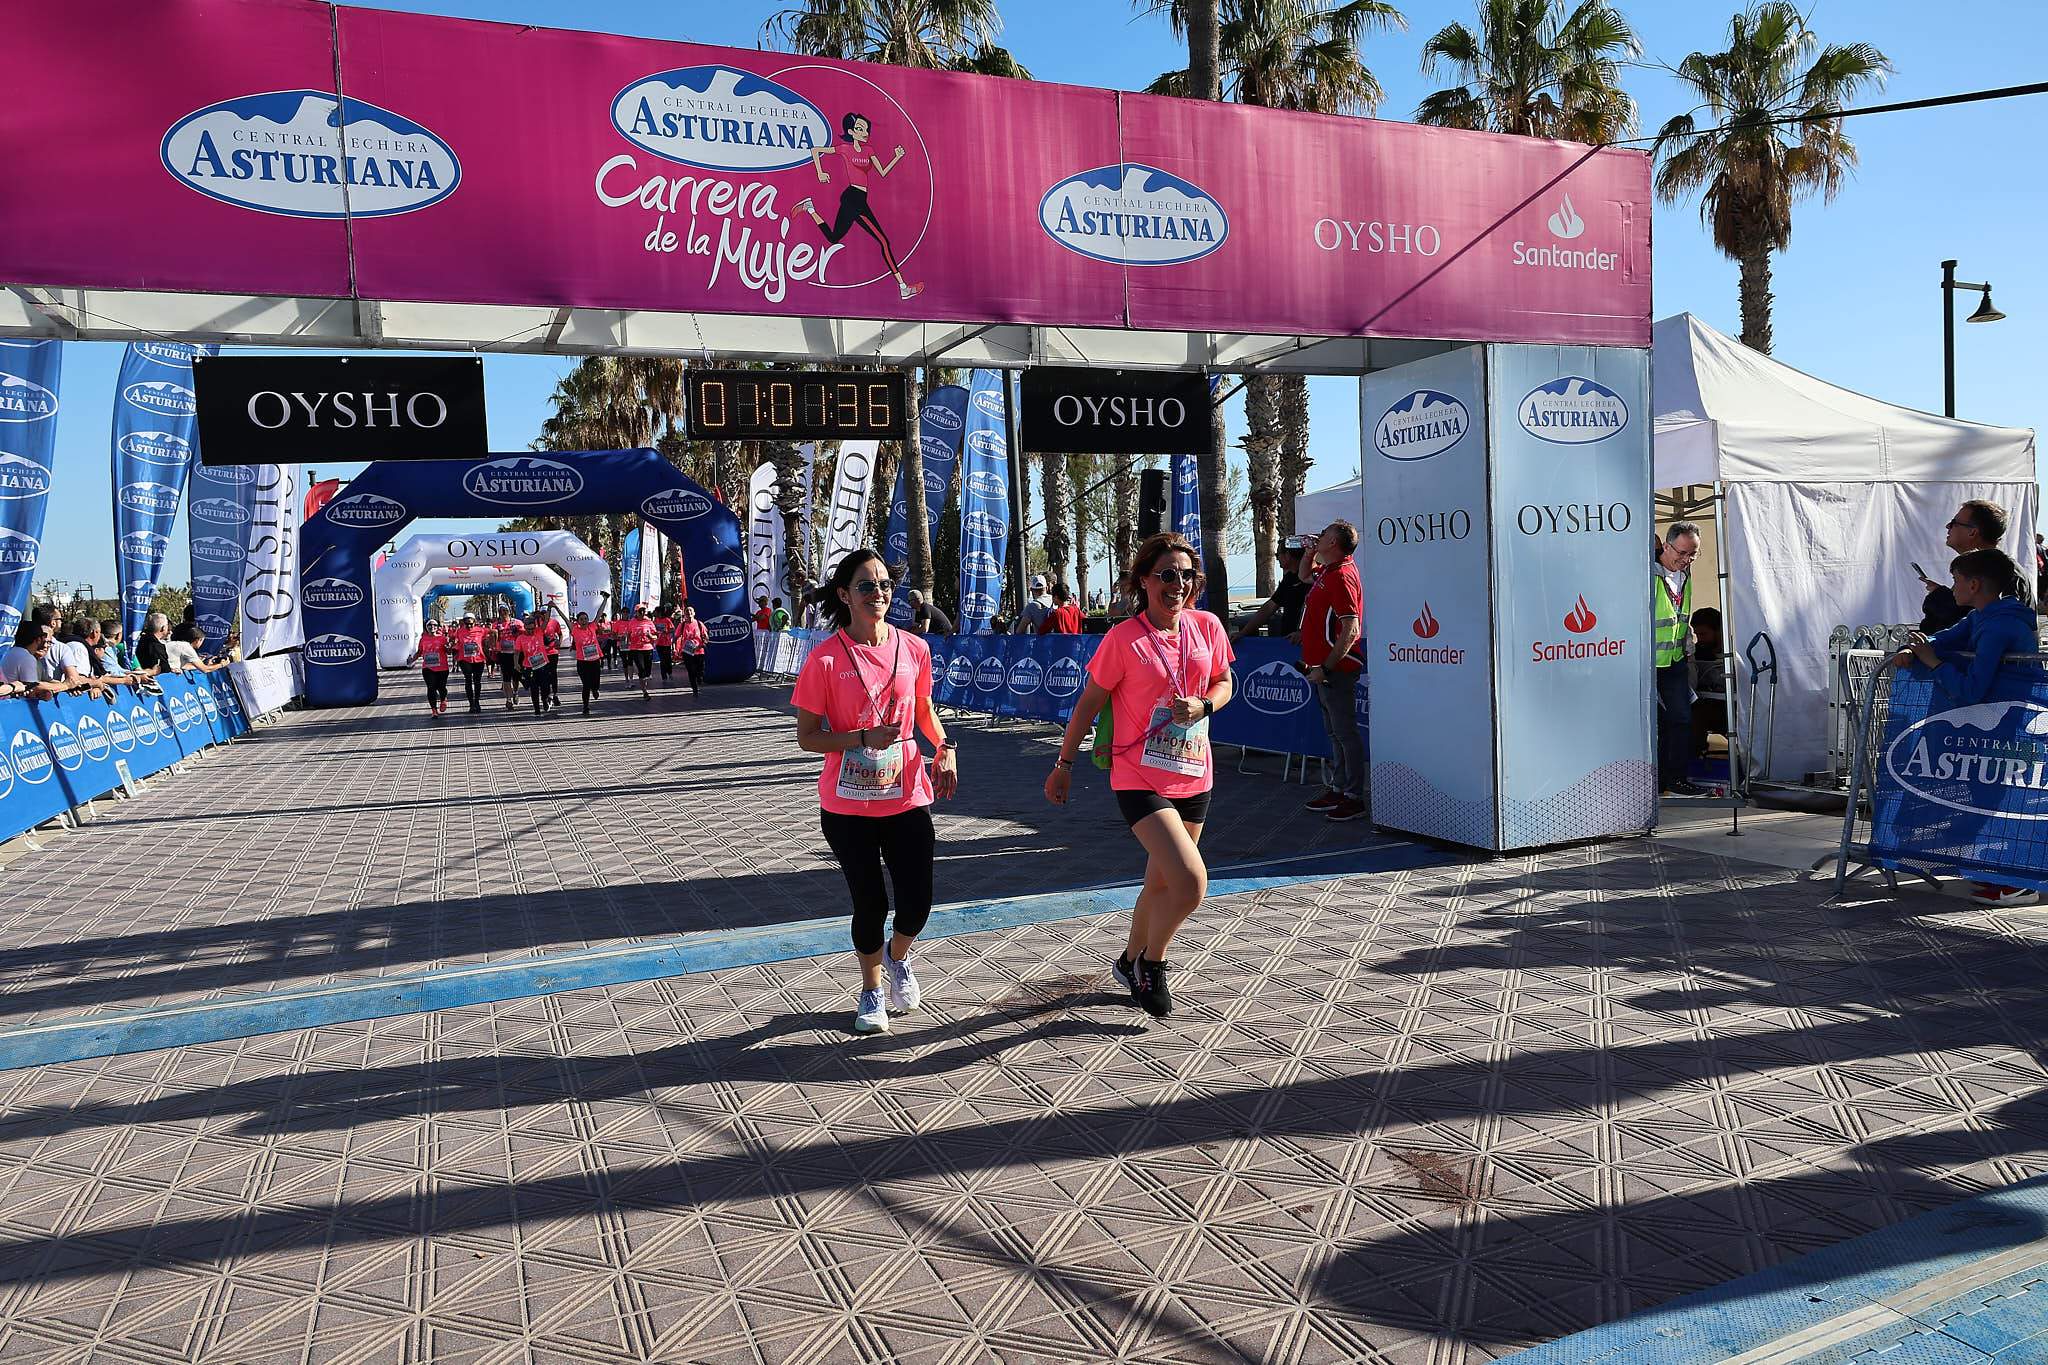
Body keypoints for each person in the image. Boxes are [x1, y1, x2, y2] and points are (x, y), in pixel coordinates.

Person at [1046, 532, 1234, 1019]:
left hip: (1194, 771)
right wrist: (1064, 763)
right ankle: (1154, 962)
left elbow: (1224, 681)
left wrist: (1205, 702)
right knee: (1191, 883)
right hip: (1139, 775)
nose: (1178, 585)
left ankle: (1128, 961)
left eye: (1187, 576)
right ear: (1144, 582)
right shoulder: (1123, 639)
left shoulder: (1207, 626)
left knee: (1161, 885)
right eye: (1167, 575)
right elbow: (1088, 703)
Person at [793, 549, 957, 1034]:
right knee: (870, 902)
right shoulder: (824, 659)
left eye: (885, 585)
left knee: (918, 901)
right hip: (847, 805)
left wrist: (944, 745)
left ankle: (897, 956)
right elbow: (807, 737)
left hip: (905, 794)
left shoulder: (914, 648)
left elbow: (924, 709)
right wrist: (861, 738)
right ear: (844, 596)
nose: (879, 594)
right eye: (867, 586)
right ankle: (870, 990)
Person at [1888, 548, 2039, 904]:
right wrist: (1916, 650)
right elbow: (1945, 637)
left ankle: (2020, 881)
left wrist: (1933, 662)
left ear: (1974, 584)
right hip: (1989, 726)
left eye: (1956, 580)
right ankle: (1998, 871)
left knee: (2005, 800)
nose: (1951, 587)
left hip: (2009, 730)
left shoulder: (2001, 624)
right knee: (1984, 797)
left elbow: (1973, 689)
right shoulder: (1982, 617)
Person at [791, 112, 924, 301]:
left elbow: (883, 172)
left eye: (866, 129)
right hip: (853, 198)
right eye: (860, 129)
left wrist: (896, 157)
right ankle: (903, 287)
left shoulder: (869, 150)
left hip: (860, 199)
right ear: (851, 131)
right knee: (883, 242)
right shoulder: (844, 149)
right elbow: (815, 150)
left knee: (833, 238)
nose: (865, 132)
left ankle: (810, 207)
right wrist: (820, 172)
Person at [1300, 523, 1367, 821]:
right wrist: (1310, 552)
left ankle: (1354, 795)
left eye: (1324, 535)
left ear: (1335, 542)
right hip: (1321, 668)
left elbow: (1351, 628)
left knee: (1344, 732)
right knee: (1334, 732)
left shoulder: (1342, 576)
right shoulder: (1328, 571)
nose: (1319, 537)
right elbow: (1303, 575)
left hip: (1336, 669)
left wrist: (1326, 666)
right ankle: (1338, 788)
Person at [1654, 522, 1706, 797]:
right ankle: (1656, 781)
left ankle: (1675, 779)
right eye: (1683, 553)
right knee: (1656, 724)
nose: (1686, 560)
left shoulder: (1685, 575)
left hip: (1674, 659)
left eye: (1693, 555)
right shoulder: (1647, 573)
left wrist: (1688, 640)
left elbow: (1680, 615)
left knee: (1681, 719)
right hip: (1646, 663)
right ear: (1666, 545)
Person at [1920, 500, 2007, 633]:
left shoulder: (2002, 572)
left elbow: (1990, 622)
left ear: (1972, 532)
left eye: (1954, 523)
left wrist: (1940, 597)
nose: (1948, 526)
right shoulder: (1980, 567)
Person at [1231, 538, 1313, 643]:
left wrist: (1304, 632)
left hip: (1308, 642)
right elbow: (1270, 607)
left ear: (1287, 555)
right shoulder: (1289, 578)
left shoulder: (1316, 577)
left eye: (1277, 555)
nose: (1277, 558)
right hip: (1289, 640)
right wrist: (1243, 632)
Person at [1, 622, 84, 700]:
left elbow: (47, 681)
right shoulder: (27, 658)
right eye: (44, 639)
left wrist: (71, 685)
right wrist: (66, 685)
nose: (45, 645)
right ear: (38, 639)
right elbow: (34, 688)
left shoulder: (11, 652)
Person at [1690, 607, 1728, 762]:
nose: (1699, 639)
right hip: (1705, 708)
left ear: (1719, 631)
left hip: (1732, 710)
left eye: (1703, 634)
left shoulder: (1735, 652)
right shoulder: (1696, 652)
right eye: (1697, 634)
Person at [406, 619, 452, 716]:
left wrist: (448, 648)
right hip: (428, 668)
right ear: (426, 627)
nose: (432, 627)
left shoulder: (443, 638)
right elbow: (419, 652)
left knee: (441, 687)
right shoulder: (423, 639)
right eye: (429, 625)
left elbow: (448, 652)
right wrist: (412, 660)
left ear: (437, 627)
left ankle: (443, 699)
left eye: (434, 625)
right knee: (431, 688)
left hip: (442, 668)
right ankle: (434, 710)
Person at [567, 609, 605, 714]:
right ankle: (585, 706)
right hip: (582, 662)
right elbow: (565, 619)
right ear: (578, 621)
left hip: (595, 660)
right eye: (581, 619)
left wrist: (605, 600)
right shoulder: (575, 630)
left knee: (596, 682)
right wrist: (555, 608)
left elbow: (599, 613)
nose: (584, 621)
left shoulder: (592, 627)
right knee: (586, 685)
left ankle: (595, 689)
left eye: (585, 619)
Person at [451, 615, 488, 713]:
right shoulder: (459, 631)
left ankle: (477, 702)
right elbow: (454, 640)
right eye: (467, 624)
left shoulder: (481, 630)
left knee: (477, 681)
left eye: (471, 624)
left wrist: (491, 645)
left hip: (478, 659)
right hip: (464, 659)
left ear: (474, 622)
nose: (469, 626)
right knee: (468, 680)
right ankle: (471, 704)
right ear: (464, 623)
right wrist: (453, 645)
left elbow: (494, 632)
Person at [619, 603, 657, 699]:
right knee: (641, 669)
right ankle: (645, 692)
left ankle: (645, 685)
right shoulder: (632, 622)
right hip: (635, 649)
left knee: (647, 672)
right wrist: (626, 641)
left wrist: (651, 636)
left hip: (647, 648)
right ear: (636, 612)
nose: (643, 612)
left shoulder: (649, 622)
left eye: (644, 611)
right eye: (640, 611)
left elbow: (655, 636)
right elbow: (628, 634)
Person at [163, 623, 229, 673]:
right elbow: (205, 669)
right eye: (202, 641)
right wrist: (222, 664)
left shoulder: (180, 644)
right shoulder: (187, 648)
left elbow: (185, 666)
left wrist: (201, 663)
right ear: (197, 640)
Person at [493, 608, 524, 711]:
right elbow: (494, 638)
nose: (503, 612)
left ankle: (515, 692)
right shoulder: (496, 625)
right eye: (501, 611)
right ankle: (508, 700)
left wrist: (518, 632)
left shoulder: (517, 622)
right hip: (503, 654)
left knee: (516, 678)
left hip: (516, 654)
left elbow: (524, 634)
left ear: (509, 611)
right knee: (506, 678)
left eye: (505, 610)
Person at [676, 603, 708, 696]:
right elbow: (676, 636)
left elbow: (705, 636)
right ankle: (694, 689)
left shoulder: (699, 623)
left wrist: (705, 641)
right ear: (684, 614)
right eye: (687, 612)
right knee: (691, 670)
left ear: (694, 613)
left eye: (690, 611)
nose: (689, 613)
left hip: (699, 650)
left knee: (700, 668)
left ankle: (699, 677)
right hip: (687, 651)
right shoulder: (682, 625)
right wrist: (675, 648)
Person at [652, 607, 676, 687]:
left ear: (659, 612)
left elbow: (673, 629)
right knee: (662, 660)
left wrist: (667, 631)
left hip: (667, 643)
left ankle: (670, 672)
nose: (655, 613)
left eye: (656, 612)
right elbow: (653, 630)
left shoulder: (667, 620)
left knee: (668, 659)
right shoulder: (655, 620)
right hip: (659, 643)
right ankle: (664, 676)